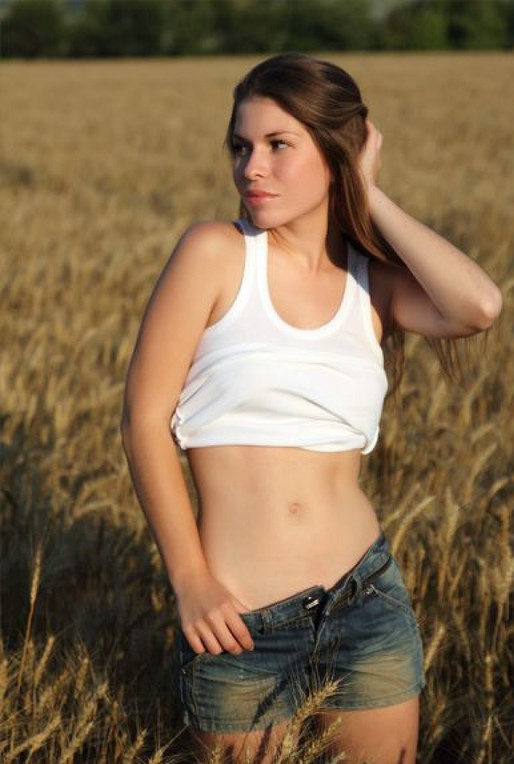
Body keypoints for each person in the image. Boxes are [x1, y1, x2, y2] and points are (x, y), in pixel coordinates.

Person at [121, 53, 502, 764]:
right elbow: (143, 421)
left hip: (365, 602)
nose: (252, 168)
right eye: (241, 147)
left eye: (278, 145)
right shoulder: (215, 253)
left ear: (336, 153)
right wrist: (190, 580)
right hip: (238, 623)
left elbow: (478, 306)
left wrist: (368, 192)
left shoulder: (372, 286)